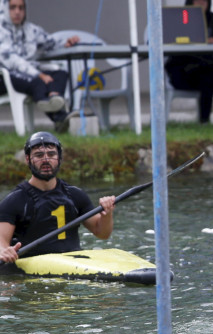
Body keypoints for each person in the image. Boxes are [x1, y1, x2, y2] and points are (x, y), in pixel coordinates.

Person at [0, 132, 115, 264]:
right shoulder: (15, 201)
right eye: (39, 155)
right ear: (28, 159)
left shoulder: (75, 195)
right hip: (32, 271)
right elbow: (1, 243)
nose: (46, 160)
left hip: (74, 265)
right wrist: (4, 251)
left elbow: (102, 233)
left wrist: (107, 213)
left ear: (59, 158)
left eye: (51, 154)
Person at [0, 0, 79, 133]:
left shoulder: (31, 29)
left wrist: (66, 43)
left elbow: (50, 43)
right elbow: (12, 61)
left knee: (60, 74)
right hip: (5, 76)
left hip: (31, 73)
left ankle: (53, 97)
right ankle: (54, 110)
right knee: (38, 82)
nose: (17, 12)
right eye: (13, 8)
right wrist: (40, 74)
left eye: (21, 8)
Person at [164, 0, 213, 126]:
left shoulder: (212, 19)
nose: (201, 4)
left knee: (209, 73)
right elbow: (165, 40)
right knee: (212, 70)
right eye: (197, 0)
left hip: (204, 73)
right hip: (181, 73)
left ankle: (205, 122)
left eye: (204, 1)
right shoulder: (181, 17)